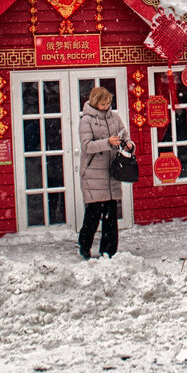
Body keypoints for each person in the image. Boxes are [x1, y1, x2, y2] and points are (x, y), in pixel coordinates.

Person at [77, 87, 132, 259]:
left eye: (108, 102)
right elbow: (87, 146)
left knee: (111, 214)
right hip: (93, 172)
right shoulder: (86, 120)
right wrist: (107, 142)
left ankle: (109, 251)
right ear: (94, 102)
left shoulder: (114, 117)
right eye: (103, 103)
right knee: (93, 213)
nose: (106, 105)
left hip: (112, 171)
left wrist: (128, 145)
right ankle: (84, 245)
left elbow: (126, 136)